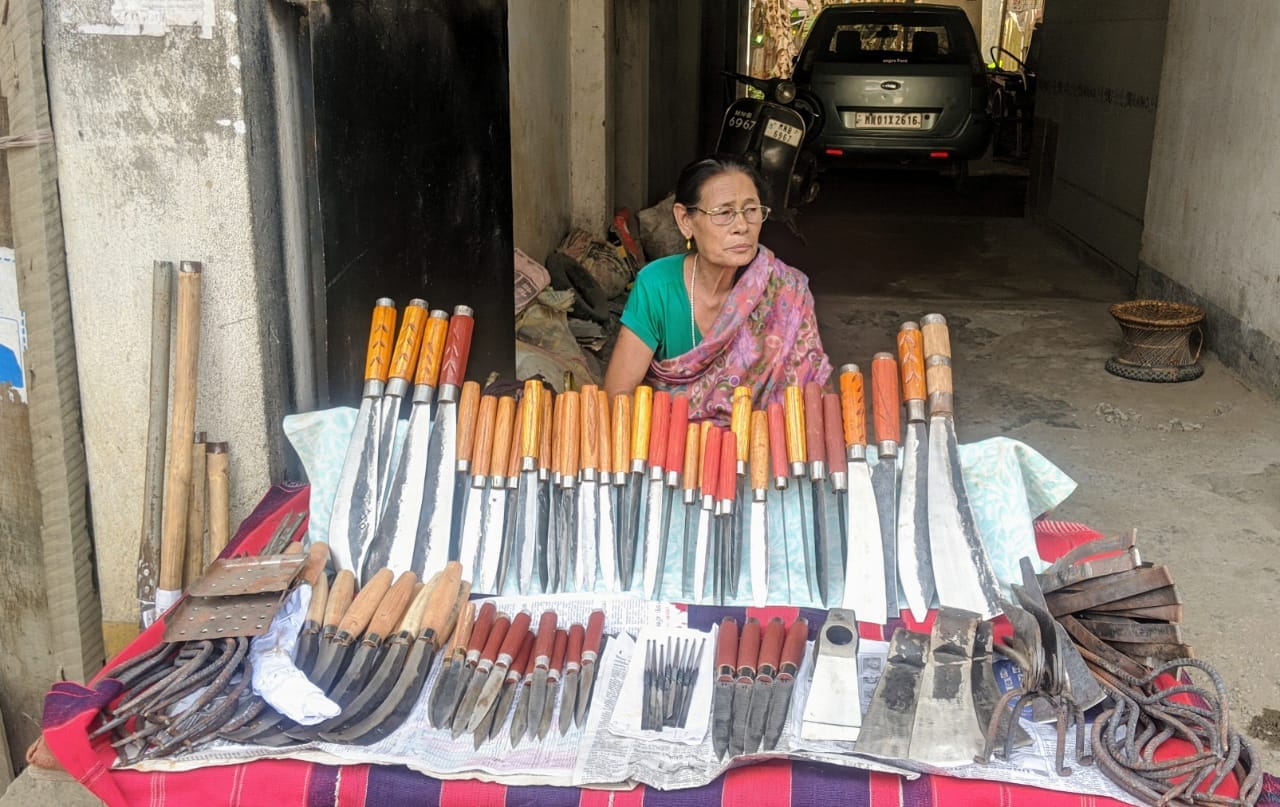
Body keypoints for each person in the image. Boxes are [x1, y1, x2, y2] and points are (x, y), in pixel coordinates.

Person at [603, 154, 831, 423]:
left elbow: (811, 399)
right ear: (685, 220)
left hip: (761, 451)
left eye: (751, 210)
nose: (742, 226)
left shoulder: (787, 290)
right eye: (724, 213)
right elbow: (617, 397)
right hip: (672, 450)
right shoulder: (657, 285)